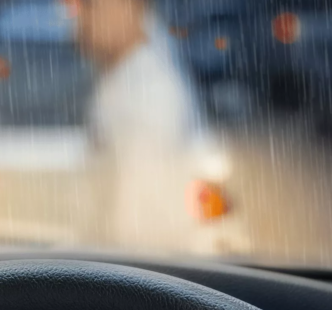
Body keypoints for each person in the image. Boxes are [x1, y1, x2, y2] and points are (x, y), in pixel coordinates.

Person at [62, 0, 246, 256]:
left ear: (129, 6)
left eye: (88, 5)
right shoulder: (126, 79)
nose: (76, 19)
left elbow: (140, 233)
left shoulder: (146, 95)